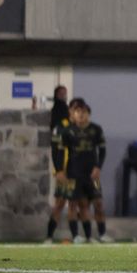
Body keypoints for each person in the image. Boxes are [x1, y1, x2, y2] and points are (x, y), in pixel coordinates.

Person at [47, 99, 108, 244]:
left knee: (93, 203)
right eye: (76, 110)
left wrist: (98, 167)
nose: (80, 114)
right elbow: (57, 151)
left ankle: (96, 235)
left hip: (90, 175)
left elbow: (102, 150)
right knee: (62, 204)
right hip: (69, 173)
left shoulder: (95, 129)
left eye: (83, 111)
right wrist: (59, 170)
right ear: (71, 111)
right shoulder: (63, 128)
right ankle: (50, 236)